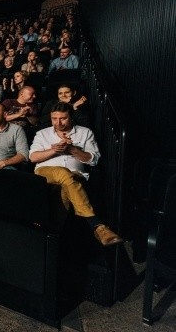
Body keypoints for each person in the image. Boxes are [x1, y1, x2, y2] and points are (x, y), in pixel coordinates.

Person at [29, 102, 123, 246]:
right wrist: (55, 150)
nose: (58, 122)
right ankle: (97, 225)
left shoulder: (85, 132)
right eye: (54, 118)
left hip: (76, 174)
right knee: (63, 173)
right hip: (45, 172)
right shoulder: (43, 133)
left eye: (63, 118)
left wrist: (72, 150)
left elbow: (93, 159)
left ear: (71, 117)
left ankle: (53, 240)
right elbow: (33, 157)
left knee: (64, 187)